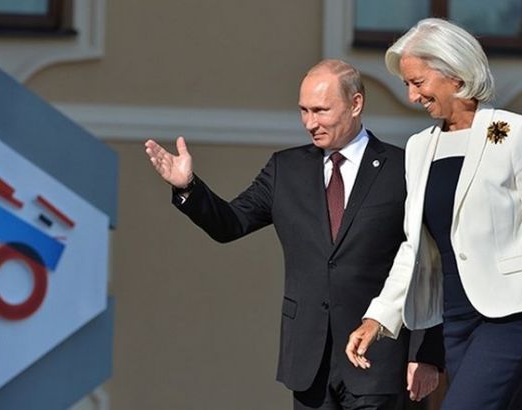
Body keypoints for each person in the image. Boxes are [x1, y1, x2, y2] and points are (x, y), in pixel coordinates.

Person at [145, 59, 443, 410]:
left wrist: (427, 353)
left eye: (320, 110)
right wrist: (188, 188)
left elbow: (428, 262)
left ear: (356, 104)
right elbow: (230, 224)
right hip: (308, 363)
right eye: (303, 110)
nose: (309, 123)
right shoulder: (285, 170)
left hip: (380, 359)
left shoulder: (402, 168)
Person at [345, 18, 522, 410]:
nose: (412, 96)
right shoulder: (419, 147)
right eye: (407, 84)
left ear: (455, 74)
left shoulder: (513, 133)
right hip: (456, 320)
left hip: (516, 315)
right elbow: (414, 248)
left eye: (418, 82)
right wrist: (377, 317)